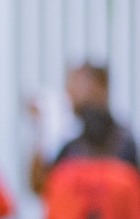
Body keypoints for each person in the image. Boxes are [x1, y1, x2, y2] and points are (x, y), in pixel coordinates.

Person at [30, 63, 134, 194]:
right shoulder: (69, 142)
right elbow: (40, 186)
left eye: (77, 83)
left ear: (101, 89)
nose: (69, 92)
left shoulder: (123, 142)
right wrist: (44, 128)